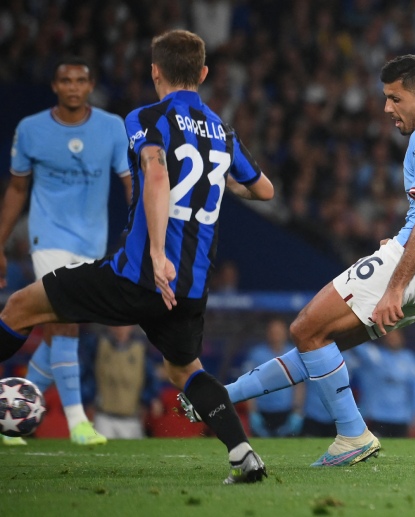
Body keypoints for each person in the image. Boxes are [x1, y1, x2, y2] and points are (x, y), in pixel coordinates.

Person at [181, 54, 415, 466]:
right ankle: (223, 396)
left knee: (305, 327)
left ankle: (352, 435)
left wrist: (395, 282)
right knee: (319, 344)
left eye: (395, 99)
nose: (386, 109)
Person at [0, 29, 274, 483]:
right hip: (191, 286)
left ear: (154, 72)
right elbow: (265, 190)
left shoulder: (146, 117)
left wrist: (155, 252)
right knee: (184, 368)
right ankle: (243, 453)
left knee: (19, 306)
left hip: (140, 274)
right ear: (203, 74)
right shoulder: (222, 131)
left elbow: (154, 171)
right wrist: (220, 179)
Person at [0, 56, 132, 446]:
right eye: (65, 80)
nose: (73, 86)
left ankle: (12, 410)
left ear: (90, 86)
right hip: (47, 237)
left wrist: (138, 230)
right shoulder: (31, 129)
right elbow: (17, 189)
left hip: (91, 242)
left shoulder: (111, 127)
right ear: (55, 86)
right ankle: (77, 422)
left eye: (80, 80)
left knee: (61, 330)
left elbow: (130, 182)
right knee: (65, 320)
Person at [79, 325, 161, 439]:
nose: (120, 328)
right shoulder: (98, 344)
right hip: (103, 416)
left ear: (131, 326)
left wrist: (150, 399)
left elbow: (149, 377)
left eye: (124, 324)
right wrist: (88, 400)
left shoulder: (141, 348)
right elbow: (87, 373)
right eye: (116, 324)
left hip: (132, 417)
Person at [346, 329, 415, 438]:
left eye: (395, 336)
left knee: (400, 451)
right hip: (377, 416)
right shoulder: (375, 356)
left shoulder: (409, 359)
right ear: (384, 338)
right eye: (389, 336)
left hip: (401, 417)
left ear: (402, 338)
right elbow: (357, 346)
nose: (392, 339)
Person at [240, 317, 304, 437]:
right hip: (262, 411)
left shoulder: (293, 354)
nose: (276, 336)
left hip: (285, 411)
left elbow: (300, 384)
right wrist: (253, 412)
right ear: (267, 333)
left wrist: (297, 412)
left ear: (286, 333)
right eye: (273, 332)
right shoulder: (256, 354)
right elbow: (248, 384)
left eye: (279, 332)